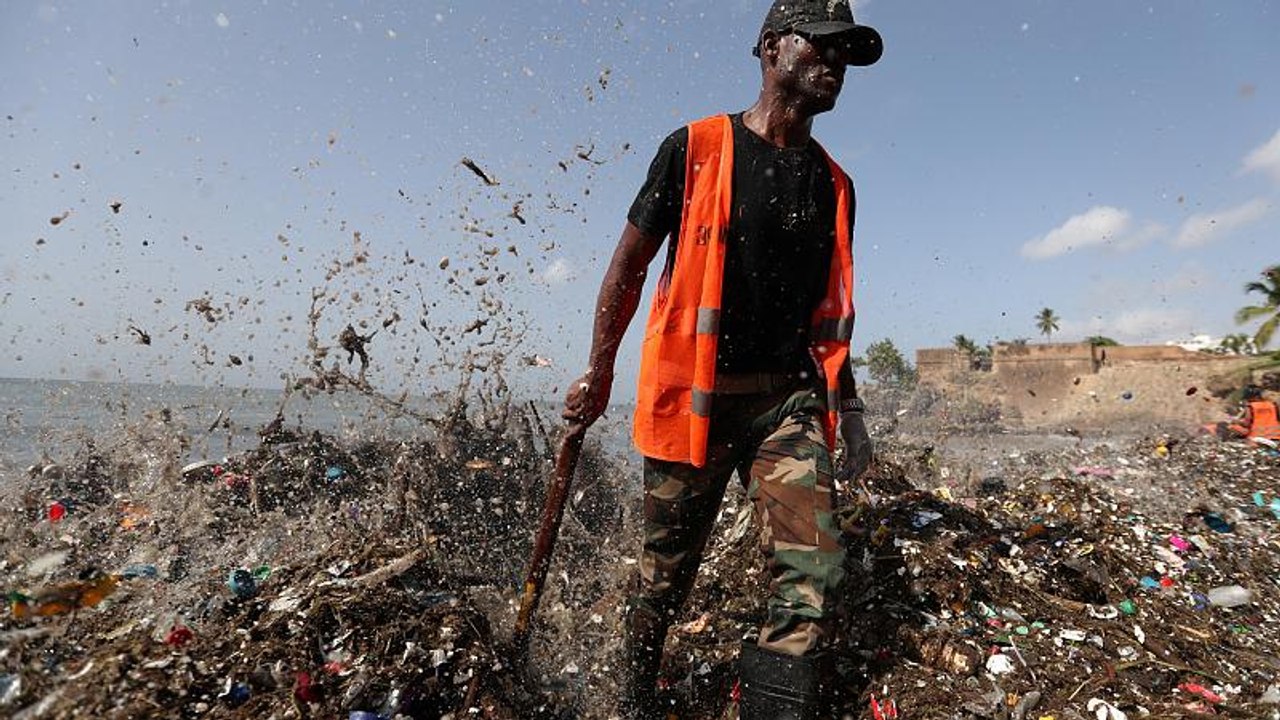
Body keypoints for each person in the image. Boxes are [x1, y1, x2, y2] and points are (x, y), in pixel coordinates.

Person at [561, 1, 881, 716]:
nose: (835, 64)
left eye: (846, 54)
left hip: (787, 405)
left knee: (813, 570)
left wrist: (851, 409)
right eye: (821, 45)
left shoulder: (835, 185)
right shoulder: (696, 148)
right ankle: (633, 698)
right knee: (663, 580)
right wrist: (600, 370)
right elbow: (628, 268)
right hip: (696, 402)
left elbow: (829, 315)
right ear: (770, 49)